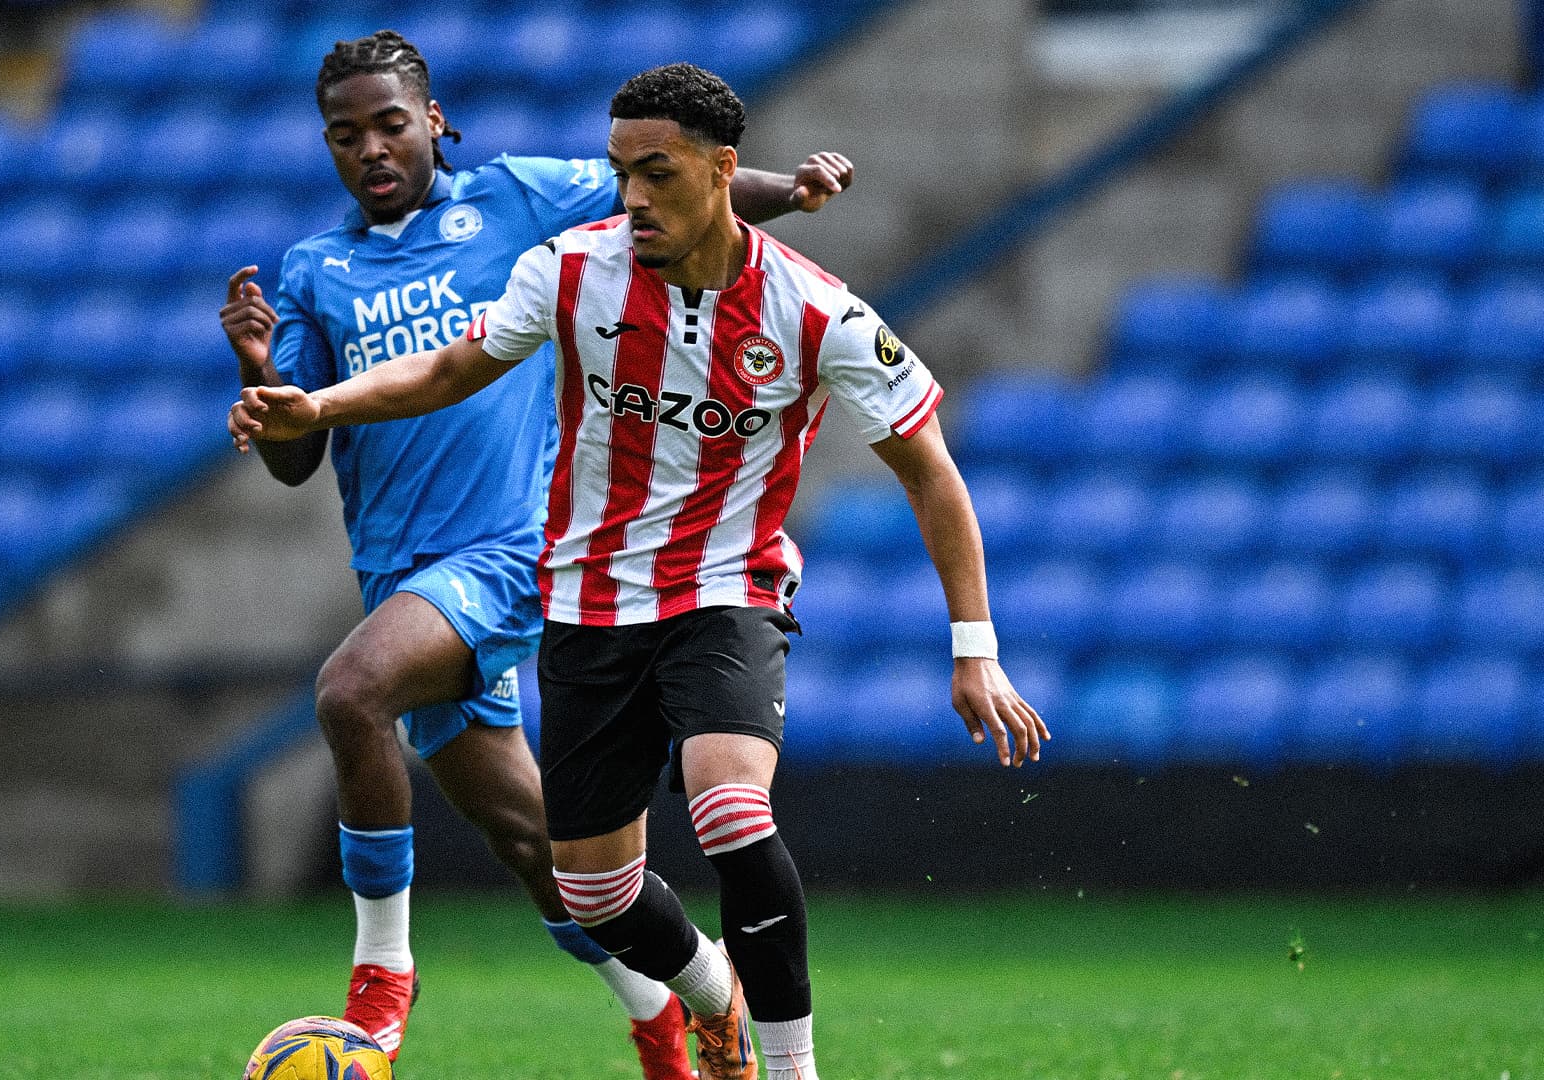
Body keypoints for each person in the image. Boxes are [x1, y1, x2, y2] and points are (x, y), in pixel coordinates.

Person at [230, 62, 1050, 1080]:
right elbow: (437, 375)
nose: (629, 198)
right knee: (578, 883)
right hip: (584, 597)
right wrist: (306, 400)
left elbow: (932, 474)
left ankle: (774, 1067)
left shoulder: (812, 310)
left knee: (723, 806)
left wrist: (975, 651)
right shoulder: (563, 270)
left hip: (694, 581)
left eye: (655, 175)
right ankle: (700, 1005)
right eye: (621, 174)